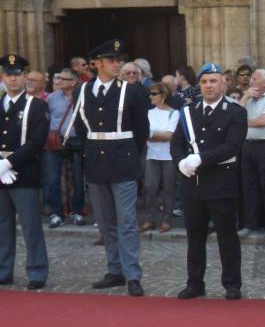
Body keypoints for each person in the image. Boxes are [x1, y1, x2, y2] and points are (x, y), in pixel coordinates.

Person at [68, 39, 150, 297]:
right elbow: (81, 128)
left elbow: (141, 130)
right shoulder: (81, 91)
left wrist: (129, 154)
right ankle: (114, 269)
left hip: (123, 159)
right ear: (97, 63)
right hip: (95, 160)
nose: (117, 64)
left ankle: (132, 274)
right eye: (112, 60)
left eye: (119, 60)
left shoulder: (132, 91)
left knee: (126, 221)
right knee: (105, 222)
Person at [170, 63, 246, 300]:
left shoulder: (235, 112)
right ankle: (195, 283)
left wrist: (200, 159)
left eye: (213, 81)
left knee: (227, 237)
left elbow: (232, 146)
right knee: (195, 236)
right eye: (204, 82)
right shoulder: (188, 112)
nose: (209, 86)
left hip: (221, 183)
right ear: (199, 85)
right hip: (193, 184)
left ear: (222, 84)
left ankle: (232, 284)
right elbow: (176, 143)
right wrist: (181, 162)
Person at [0, 53, 49, 289]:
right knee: (2, 225)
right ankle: (3, 270)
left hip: (24, 173)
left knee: (30, 226)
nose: (13, 79)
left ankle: (37, 271)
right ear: (2, 76)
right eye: (9, 75)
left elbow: (36, 142)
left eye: (17, 75)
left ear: (24, 78)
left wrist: (8, 163)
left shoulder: (36, 106)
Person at [239, 68, 265, 239]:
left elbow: (263, 121)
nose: (251, 81)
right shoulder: (248, 97)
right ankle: (251, 223)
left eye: (255, 79)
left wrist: (242, 122)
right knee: (249, 186)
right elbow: (235, 114)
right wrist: (245, 97)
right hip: (247, 145)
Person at [43, 68, 81, 228]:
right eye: (58, 79)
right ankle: (56, 213)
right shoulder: (51, 98)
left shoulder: (82, 96)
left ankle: (78, 212)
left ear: (73, 82)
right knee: (53, 178)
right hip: (56, 141)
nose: (58, 81)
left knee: (79, 178)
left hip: (77, 140)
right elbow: (46, 119)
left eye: (63, 79)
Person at [141, 82, 179, 234]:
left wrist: (151, 135)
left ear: (163, 96)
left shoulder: (173, 113)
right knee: (150, 187)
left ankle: (166, 220)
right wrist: (156, 136)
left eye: (154, 93)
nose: (150, 96)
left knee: (168, 189)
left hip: (168, 156)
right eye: (150, 93)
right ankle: (150, 218)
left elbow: (169, 135)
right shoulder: (149, 113)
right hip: (152, 156)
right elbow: (145, 134)